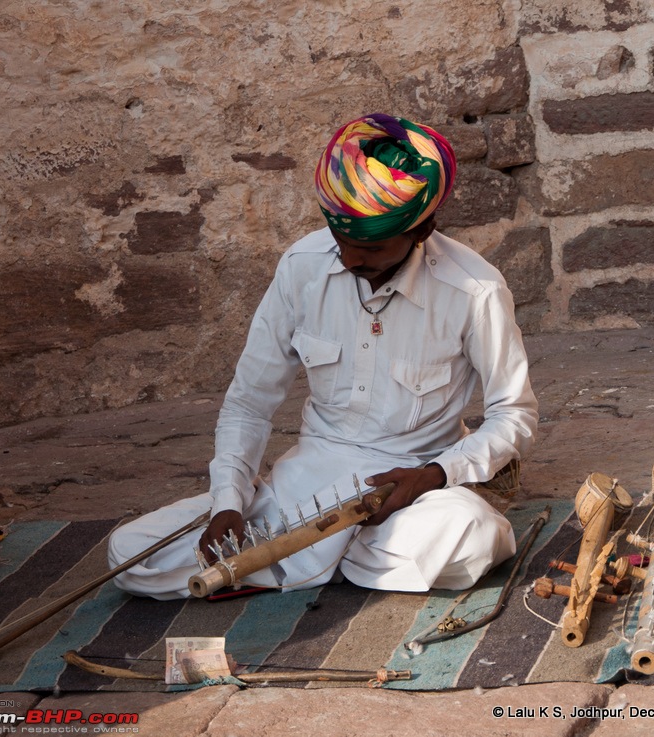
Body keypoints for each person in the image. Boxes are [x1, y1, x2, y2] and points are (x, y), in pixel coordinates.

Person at [108, 113, 538, 599]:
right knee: (129, 553)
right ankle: (309, 561)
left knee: (477, 536)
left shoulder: (474, 289)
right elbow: (249, 402)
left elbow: (513, 415)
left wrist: (435, 475)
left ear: (422, 231)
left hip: (399, 503)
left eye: (368, 248)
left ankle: (276, 564)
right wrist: (228, 502)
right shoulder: (302, 268)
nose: (349, 260)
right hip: (301, 491)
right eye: (341, 241)